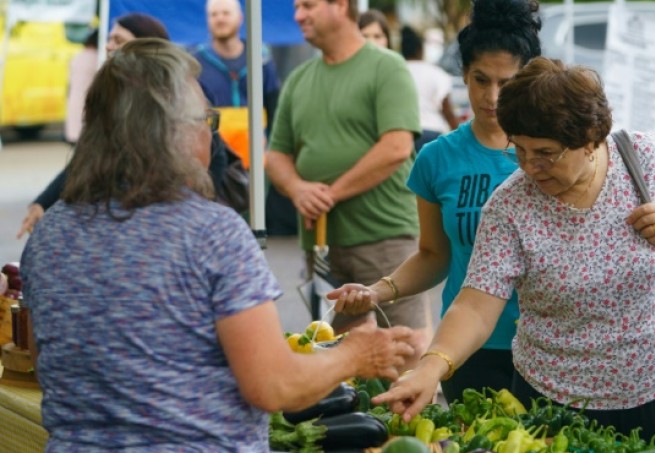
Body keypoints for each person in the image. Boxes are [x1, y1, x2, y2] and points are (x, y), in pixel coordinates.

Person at [19, 38, 415, 453]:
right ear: (169, 135)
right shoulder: (211, 233)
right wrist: (356, 355)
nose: (211, 141)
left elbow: (46, 364)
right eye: (206, 123)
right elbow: (272, 386)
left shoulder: (51, 232)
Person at [371, 57, 655, 447]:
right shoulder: (509, 206)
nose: (530, 167)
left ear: (590, 139)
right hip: (555, 407)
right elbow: (474, 305)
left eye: (546, 152)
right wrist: (432, 366)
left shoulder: (641, 157)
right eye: (518, 150)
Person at [329, 0, 540, 404]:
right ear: (463, 75)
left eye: (506, 83)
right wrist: (377, 291)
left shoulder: (547, 156)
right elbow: (433, 255)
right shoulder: (437, 159)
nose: (492, 96)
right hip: (465, 351)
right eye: (481, 80)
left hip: (546, 349)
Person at [267, 0, 429, 347]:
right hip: (323, 243)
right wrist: (299, 190)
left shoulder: (386, 68)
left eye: (307, 5)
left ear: (340, 5)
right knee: (333, 348)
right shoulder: (298, 80)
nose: (298, 16)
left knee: (405, 344)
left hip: (384, 233)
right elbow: (276, 155)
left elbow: (396, 147)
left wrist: (329, 195)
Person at [15, 13, 245, 239]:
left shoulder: (185, 90)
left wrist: (203, 206)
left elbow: (216, 152)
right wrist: (42, 202)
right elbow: (85, 155)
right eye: (110, 38)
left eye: (118, 40)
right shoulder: (112, 94)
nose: (108, 46)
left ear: (144, 47)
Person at [190, 0, 295, 235]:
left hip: (258, 154)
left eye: (226, 13)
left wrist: (272, 144)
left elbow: (273, 103)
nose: (220, 18)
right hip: (217, 155)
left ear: (240, 17)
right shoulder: (197, 60)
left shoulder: (262, 57)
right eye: (214, 14)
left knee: (254, 222)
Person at [400, 25, 459, 153]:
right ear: (421, 50)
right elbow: (447, 110)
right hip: (432, 135)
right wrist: (460, 135)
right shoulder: (436, 73)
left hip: (405, 134)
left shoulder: (396, 72)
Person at [64, 28, 98, 144]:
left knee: (75, 130)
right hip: (90, 99)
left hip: (74, 97)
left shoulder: (77, 57)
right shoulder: (98, 58)